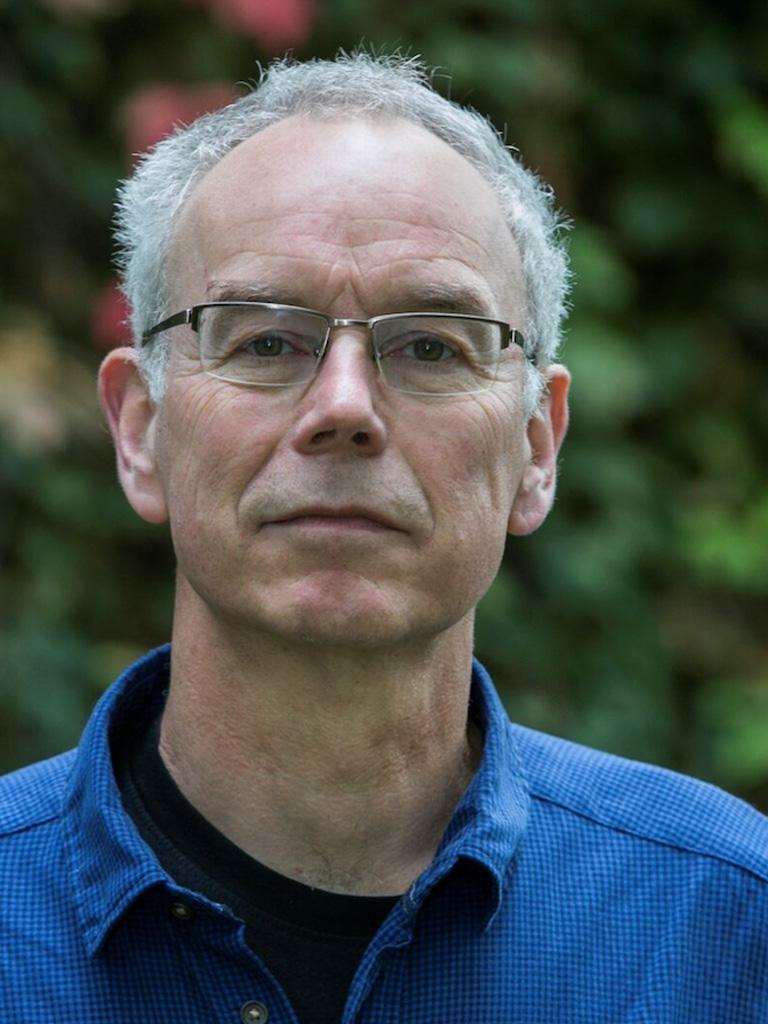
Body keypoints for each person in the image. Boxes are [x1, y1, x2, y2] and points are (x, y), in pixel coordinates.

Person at [1, 53, 765, 1024]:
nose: (345, 408)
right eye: (266, 340)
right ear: (140, 431)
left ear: (536, 449)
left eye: (431, 346)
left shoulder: (723, 927)